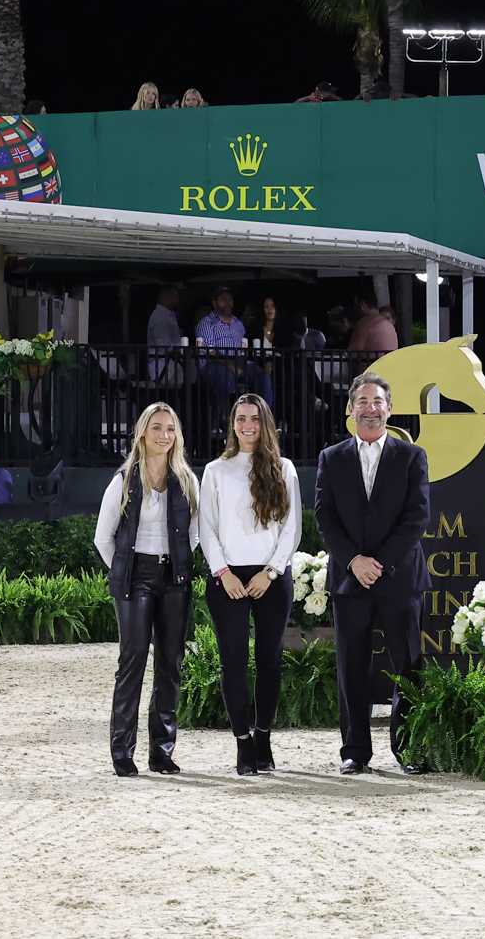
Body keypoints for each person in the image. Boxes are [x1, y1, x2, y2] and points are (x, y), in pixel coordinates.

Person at [315, 373, 430, 774]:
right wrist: (354, 562)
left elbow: (417, 517)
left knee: (409, 666)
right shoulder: (331, 458)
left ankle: (410, 749)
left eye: (377, 401)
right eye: (362, 401)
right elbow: (325, 518)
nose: (370, 408)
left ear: (389, 408)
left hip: (400, 578)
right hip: (350, 580)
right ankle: (354, 752)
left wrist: (380, 563)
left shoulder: (412, 456)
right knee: (351, 667)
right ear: (350, 408)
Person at [93, 403, 200, 776]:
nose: (163, 435)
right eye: (156, 428)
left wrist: (178, 563)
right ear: (143, 432)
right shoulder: (124, 479)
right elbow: (103, 538)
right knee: (133, 661)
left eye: (170, 429)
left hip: (175, 579)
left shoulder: (186, 479)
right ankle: (122, 751)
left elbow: (195, 533)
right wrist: (124, 570)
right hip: (135, 577)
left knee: (170, 664)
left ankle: (162, 751)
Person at [199, 393, 301, 777]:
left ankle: (263, 737)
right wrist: (223, 573)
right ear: (232, 424)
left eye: (255, 419)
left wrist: (271, 572)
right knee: (234, 663)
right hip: (227, 577)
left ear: (265, 424)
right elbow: (205, 528)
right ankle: (242, 743)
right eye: (241, 418)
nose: (247, 425)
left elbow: (292, 529)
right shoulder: (216, 471)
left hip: (271, 577)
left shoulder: (284, 468)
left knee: (270, 662)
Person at [197, 285, 273, 413]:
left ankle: (265, 419)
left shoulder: (238, 323)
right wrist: (230, 364)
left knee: (262, 377)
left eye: (230, 299)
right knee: (227, 378)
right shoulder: (206, 323)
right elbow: (210, 351)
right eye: (224, 299)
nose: (228, 302)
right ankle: (215, 419)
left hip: (239, 363)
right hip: (213, 363)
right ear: (215, 303)